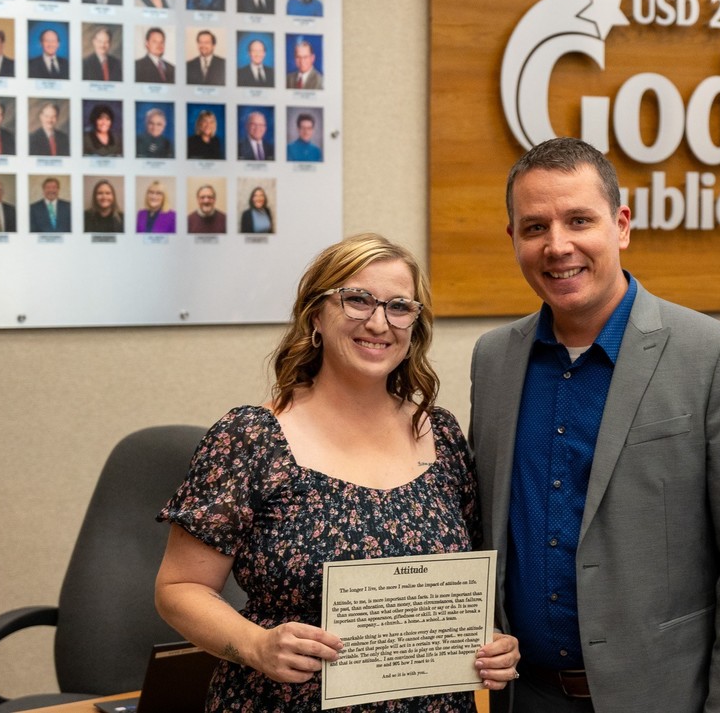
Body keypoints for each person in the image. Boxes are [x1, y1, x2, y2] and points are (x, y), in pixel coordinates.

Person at [469, 137, 720, 713]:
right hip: (528, 696)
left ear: (621, 225)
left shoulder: (714, 355)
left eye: (579, 220)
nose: (557, 246)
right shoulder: (493, 360)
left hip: (665, 698)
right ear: (513, 238)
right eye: (535, 226)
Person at [155, 232, 520, 712]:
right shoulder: (251, 437)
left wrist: (492, 644)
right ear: (315, 316)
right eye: (357, 300)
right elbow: (179, 590)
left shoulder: (443, 436)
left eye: (399, 307)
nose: (378, 322)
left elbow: (461, 588)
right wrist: (256, 646)